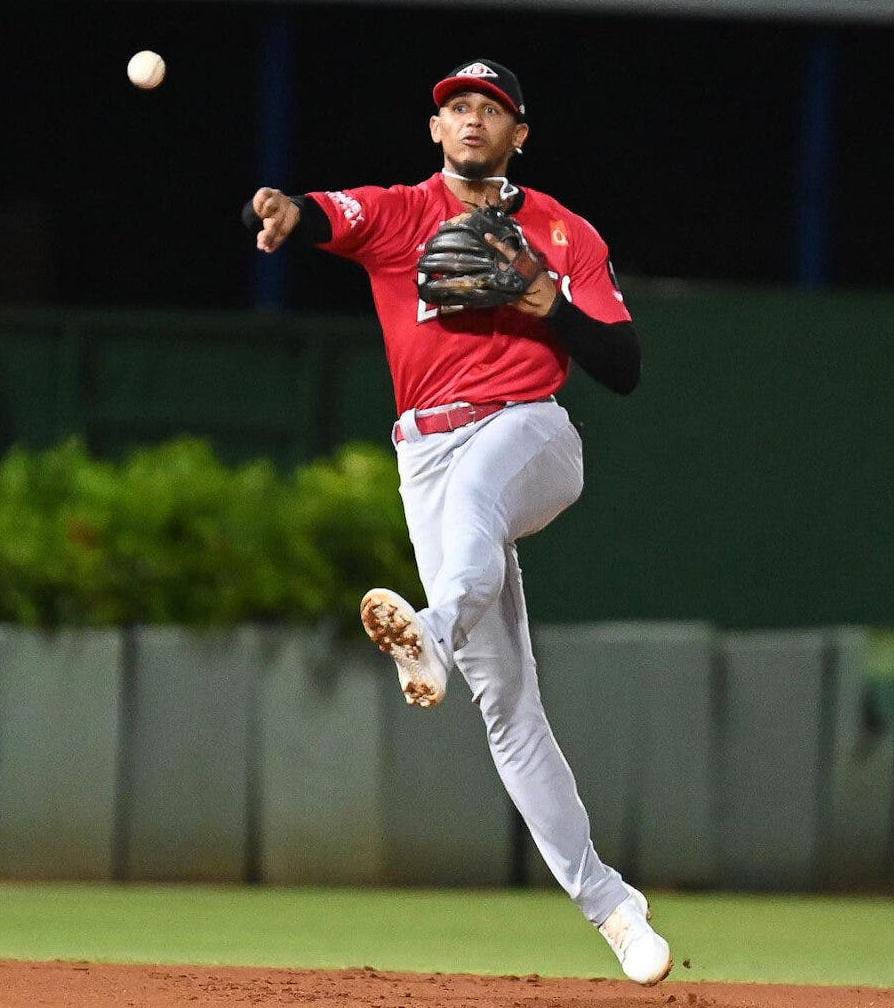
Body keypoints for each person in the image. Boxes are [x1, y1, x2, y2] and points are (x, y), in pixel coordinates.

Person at [248, 58, 672, 986]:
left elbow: (626, 362)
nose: (473, 120)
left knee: (479, 508)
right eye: (458, 109)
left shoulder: (564, 231)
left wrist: (545, 301)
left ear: (520, 133)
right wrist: (282, 209)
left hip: (531, 434)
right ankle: (615, 910)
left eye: (492, 110)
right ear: (436, 130)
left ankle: (429, 630)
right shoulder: (403, 215)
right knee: (509, 709)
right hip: (422, 456)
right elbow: (324, 212)